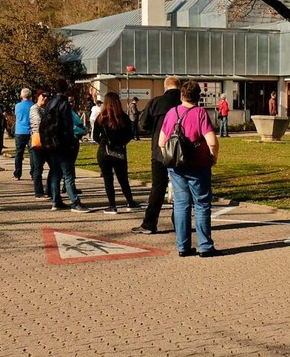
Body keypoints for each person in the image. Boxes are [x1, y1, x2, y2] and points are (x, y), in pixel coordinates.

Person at [158, 80, 221, 257]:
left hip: (176, 166)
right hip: (198, 164)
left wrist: (169, 157)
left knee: (181, 205)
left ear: (181, 95)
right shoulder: (200, 113)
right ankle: (205, 246)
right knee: (201, 204)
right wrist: (213, 157)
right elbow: (212, 141)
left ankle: (183, 246)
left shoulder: (172, 112)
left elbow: (161, 142)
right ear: (198, 97)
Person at [132, 76, 181, 234]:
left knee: (158, 188)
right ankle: (179, 222)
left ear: (165, 87)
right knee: (180, 189)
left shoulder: (156, 102)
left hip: (159, 151)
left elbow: (144, 124)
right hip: (180, 153)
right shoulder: (184, 103)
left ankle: (150, 223)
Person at [43, 79, 91, 213]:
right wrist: (71, 141)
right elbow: (68, 126)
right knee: (68, 174)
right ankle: (75, 202)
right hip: (63, 143)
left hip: (51, 142)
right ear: (66, 89)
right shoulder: (64, 104)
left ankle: (56, 201)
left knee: (55, 173)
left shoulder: (50, 103)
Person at [93, 92, 140, 215]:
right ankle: (130, 202)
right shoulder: (123, 117)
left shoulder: (101, 117)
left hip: (104, 151)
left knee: (108, 180)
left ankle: (112, 206)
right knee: (123, 178)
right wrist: (121, 143)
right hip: (119, 151)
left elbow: (95, 136)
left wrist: (104, 144)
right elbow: (130, 135)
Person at [30, 89, 52, 200]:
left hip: (47, 141)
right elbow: (38, 123)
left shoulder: (45, 109)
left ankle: (50, 190)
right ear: (38, 96)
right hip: (38, 140)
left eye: (48, 96)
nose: (45, 98)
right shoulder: (34, 109)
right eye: (43, 96)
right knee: (38, 168)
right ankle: (38, 193)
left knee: (54, 166)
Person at [13, 88, 34, 180]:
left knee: (19, 153)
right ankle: (33, 173)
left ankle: (17, 173)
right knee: (32, 153)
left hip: (20, 131)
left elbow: (16, 116)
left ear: (21, 95)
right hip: (31, 131)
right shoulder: (33, 105)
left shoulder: (17, 106)